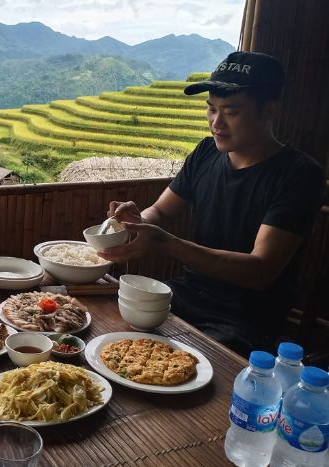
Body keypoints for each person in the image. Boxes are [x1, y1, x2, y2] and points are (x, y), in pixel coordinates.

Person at [99, 51, 326, 355]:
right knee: (109, 329)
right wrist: (136, 220)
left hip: (244, 318)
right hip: (184, 294)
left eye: (231, 112)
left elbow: (260, 270)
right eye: (211, 109)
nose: (216, 123)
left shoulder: (299, 174)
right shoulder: (207, 152)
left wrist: (164, 243)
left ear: (269, 110)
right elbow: (161, 211)